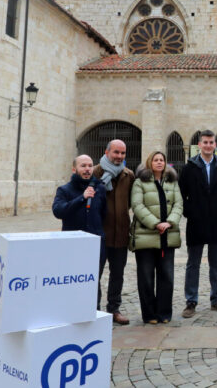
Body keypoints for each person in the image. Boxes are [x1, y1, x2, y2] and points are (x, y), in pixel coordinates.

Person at [179, 130, 217, 317]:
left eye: (211, 142)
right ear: (199, 145)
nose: (208, 145)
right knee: (193, 263)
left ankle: (216, 299)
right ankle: (191, 301)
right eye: (205, 142)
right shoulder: (189, 168)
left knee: (216, 263)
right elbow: (181, 193)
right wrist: (189, 212)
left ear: (215, 145)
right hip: (196, 221)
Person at [130, 151, 183, 324]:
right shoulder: (139, 182)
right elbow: (137, 205)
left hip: (167, 236)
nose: (159, 162)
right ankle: (149, 314)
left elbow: (178, 204)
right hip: (146, 236)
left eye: (162, 160)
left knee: (166, 276)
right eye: (156, 160)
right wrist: (155, 223)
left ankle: (164, 313)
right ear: (150, 162)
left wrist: (170, 222)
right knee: (146, 277)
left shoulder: (172, 182)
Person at [52, 155, 107, 310]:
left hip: (96, 243)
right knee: (74, 281)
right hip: (73, 245)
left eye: (90, 165)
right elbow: (58, 211)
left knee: (94, 281)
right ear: (74, 169)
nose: (87, 169)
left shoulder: (99, 188)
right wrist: (82, 198)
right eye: (83, 166)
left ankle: (94, 312)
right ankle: (74, 312)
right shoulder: (64, 190)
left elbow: (103, 214)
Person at [93, 139, 135, 325]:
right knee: (95, 274)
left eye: (122, 153)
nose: (119, 156)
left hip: (120, 233)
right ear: (107, 152)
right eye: (116, 152)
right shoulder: (95, 173)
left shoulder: (128, 175)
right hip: (99, 234)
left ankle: (114, 309)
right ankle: (94, 310)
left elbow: (131, 201)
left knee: (117, 274)